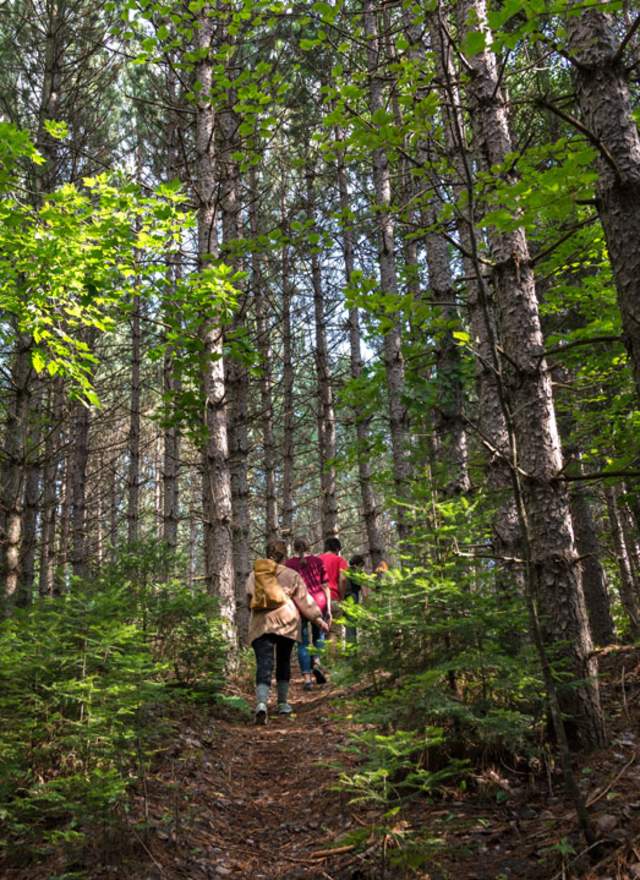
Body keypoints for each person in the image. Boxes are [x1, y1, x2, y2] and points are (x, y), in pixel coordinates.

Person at [246, 539, 329, 724]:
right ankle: (283, 703)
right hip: (287, 622)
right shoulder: (292, 574)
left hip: (261, 623)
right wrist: (318, 619)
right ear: (284, 555)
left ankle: (261, 704)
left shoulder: (254, 575)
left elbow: (249, 599)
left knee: (264, 663)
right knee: (283, 660)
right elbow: (304, 601)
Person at [286, 536, 331, 691]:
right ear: (308, 547)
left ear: (294, 548)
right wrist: (329, 609)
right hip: (319, 602)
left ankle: (307, 679)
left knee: (302, 643)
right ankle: (317, 662)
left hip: (299, 606)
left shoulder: (289, 564)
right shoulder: (318, 562)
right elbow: (325, 586)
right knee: (320, 635)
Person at [319, 536, 349, 642]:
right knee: (334, 633)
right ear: (337, 549)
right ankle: (332, 659)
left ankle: (317, 658)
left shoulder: (317, 560)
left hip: (316, 601)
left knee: (318, 635)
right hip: (333, 599)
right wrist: (341, 597)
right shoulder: (339, 560)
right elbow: (343, 579)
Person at [343, 554, 366, 644]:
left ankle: (349, 649)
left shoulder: (346, 571)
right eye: (361, 566)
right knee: (351, 626)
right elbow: (364, 591)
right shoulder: (357, 572)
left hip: (343, 599)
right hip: (352, 599)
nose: (362, 568)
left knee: (348, 625)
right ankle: (351, 652)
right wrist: (365, 603)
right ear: (358, 564)